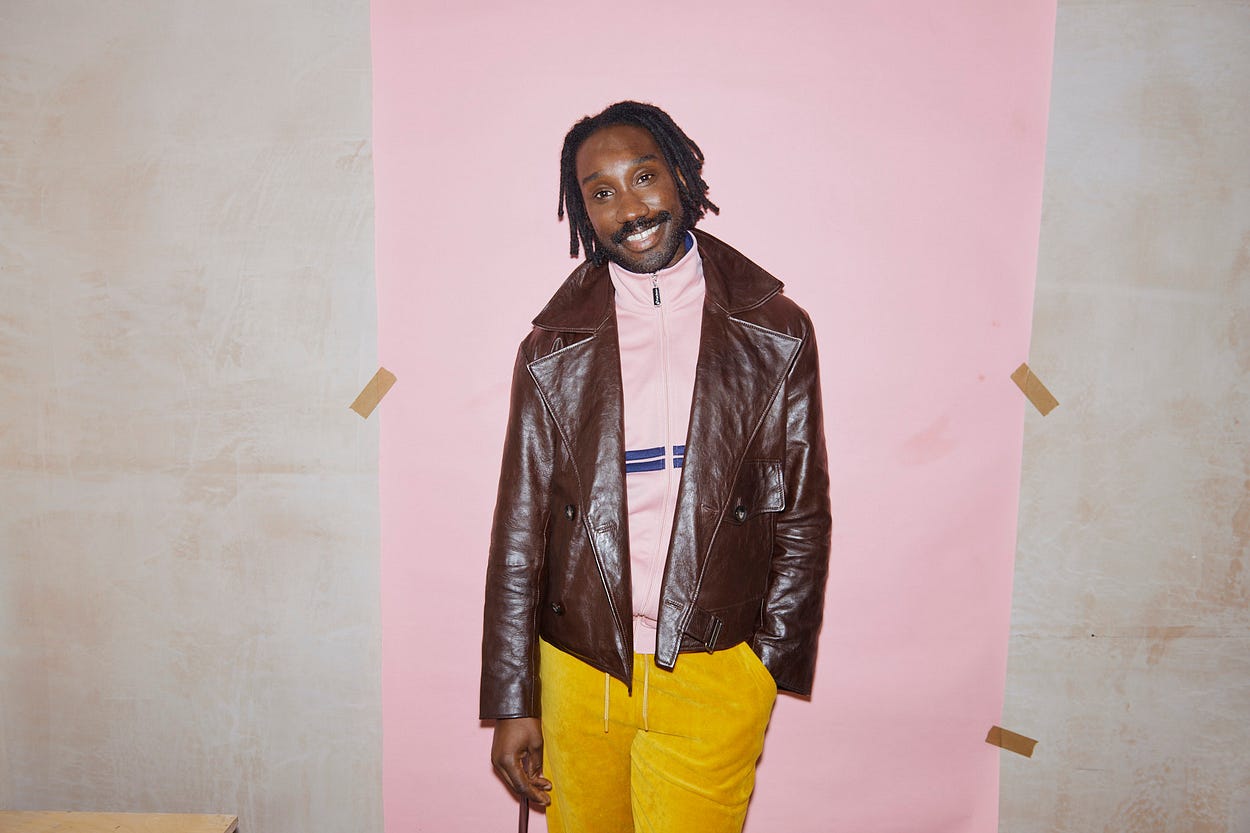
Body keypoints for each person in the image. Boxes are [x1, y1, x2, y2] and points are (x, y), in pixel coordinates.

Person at [480, 100, 831, 833]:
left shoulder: (776, 329)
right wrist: (515, 699)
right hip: (579, 668)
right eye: (601, 192)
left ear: (680, 174)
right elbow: (519, 530)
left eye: (644, 176)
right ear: (583, 212)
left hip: (714, 664)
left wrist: (762, 665)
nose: (630, 207)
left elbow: (802, 512)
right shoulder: (550, 349)